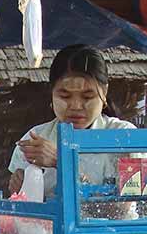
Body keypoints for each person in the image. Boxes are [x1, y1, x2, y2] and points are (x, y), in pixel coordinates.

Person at [8, 44, 138, 199]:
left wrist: (61, 161)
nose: (76, 106)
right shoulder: (34, 139)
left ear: (104, 93)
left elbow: (123, 207)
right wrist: (20, 189)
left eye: (87, 97)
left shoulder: (125, 137)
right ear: (52, 93)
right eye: (65, 96)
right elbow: (21, 204)